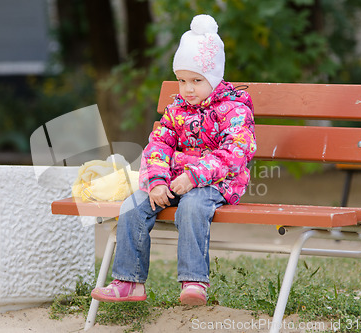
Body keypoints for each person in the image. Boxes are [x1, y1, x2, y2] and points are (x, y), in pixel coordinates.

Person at [91, 14, 256, 305]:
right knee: (134, 204)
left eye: (196, 80)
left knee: (192, 207)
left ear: (214, 78)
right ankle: (129, 282)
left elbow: (235, 151)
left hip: (217, 182)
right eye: (182, 80)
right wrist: (156, 181)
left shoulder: (233, 109)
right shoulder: (176, 109)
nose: (188, 88)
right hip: (173, 182)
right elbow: (158, 145)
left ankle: (194, 282)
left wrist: (193, 177)